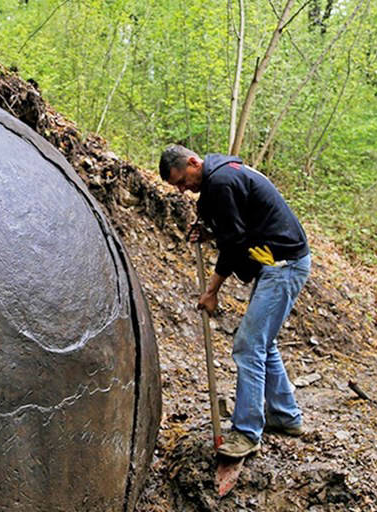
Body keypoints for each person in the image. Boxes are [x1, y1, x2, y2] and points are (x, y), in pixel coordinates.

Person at [159, 144, 311, 458]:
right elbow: (237, 226)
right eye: (178, 187)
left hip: (284, 265)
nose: (184, 190)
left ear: (192, 162)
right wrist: (209, 233)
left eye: (183, 181)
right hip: (277, 261)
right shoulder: (222, 177)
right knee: (262, 343)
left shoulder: (223, 181)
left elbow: (234, 242)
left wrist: (212, 290)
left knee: (248, 344)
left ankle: (246, 433)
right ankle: (285, 417)